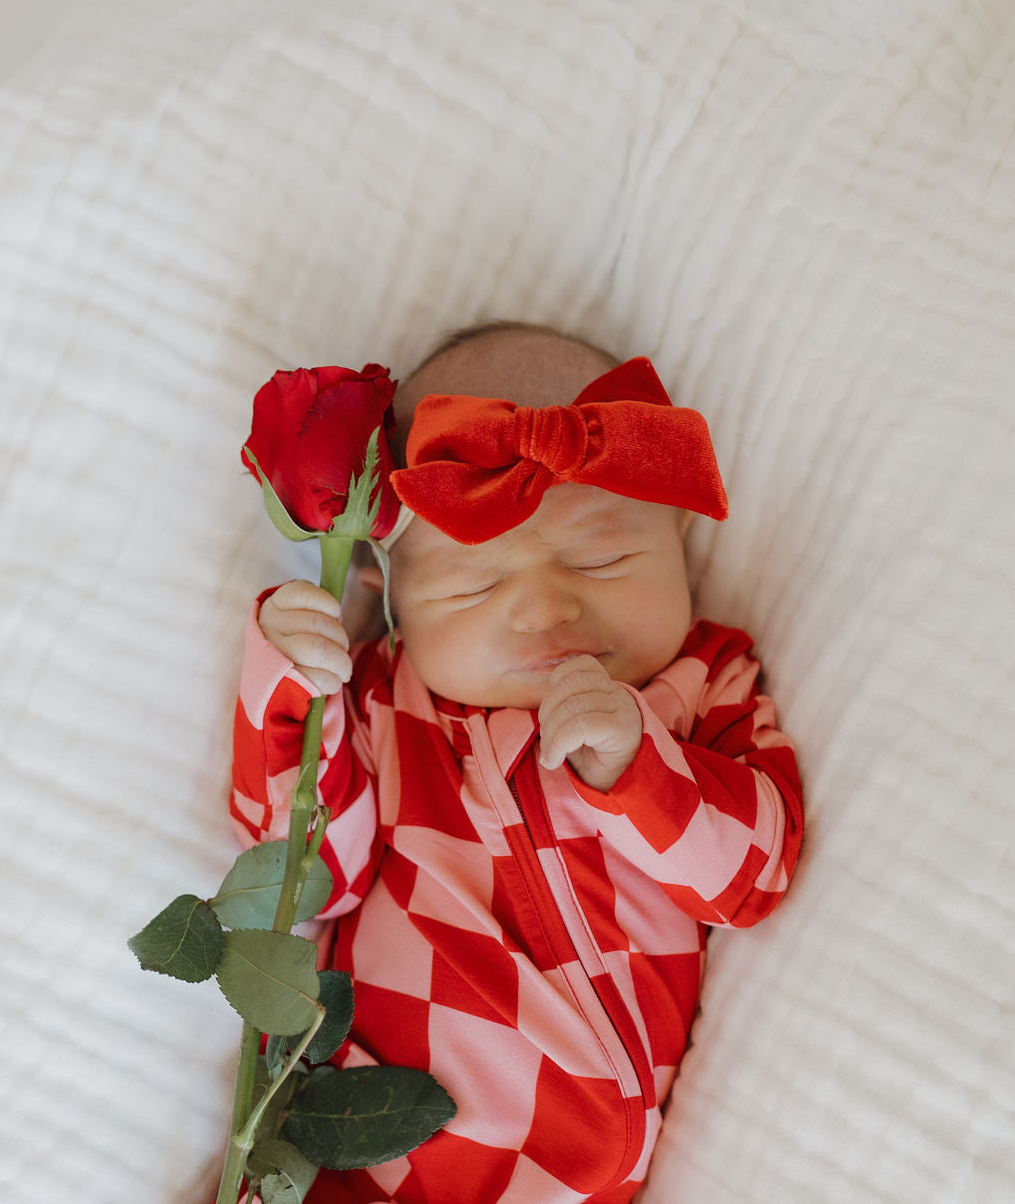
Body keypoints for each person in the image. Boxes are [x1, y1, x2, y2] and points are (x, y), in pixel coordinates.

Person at [230, 321, 804, 1203]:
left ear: (680, 532)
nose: (546, 609)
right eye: (476, 582)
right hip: (360, 1158)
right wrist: (291, 690)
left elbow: (755, 876)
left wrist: (641, 772)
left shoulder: (702, 686)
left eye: (604, 555)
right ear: (392, 597)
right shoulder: (392, 704)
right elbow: (308, 878)